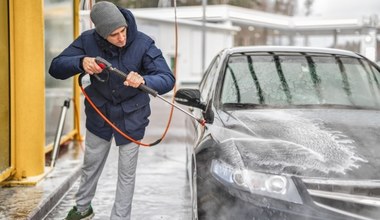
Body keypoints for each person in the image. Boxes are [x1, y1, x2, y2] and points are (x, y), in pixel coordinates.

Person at [49, 1, 175, 219]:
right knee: (91, 164)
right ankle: (82, 209)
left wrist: (144, 79)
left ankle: (120, 217)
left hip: (132, 115)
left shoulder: (143, 43)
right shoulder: (87, 41)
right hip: (100, 113)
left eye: (123, 30)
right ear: (100, 33)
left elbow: (167, 78)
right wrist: (81, 62)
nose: (121, 38)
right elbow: (56, 67)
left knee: (126, 173)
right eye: (114, 34)